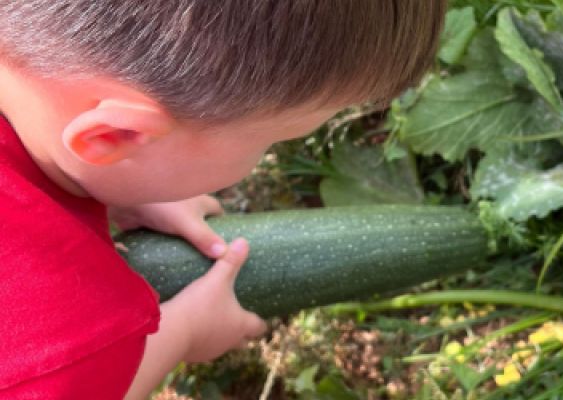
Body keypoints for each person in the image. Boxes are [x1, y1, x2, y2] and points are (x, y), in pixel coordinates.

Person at [0, 1, 446, 398]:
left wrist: (115, 182)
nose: (268, 153)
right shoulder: (76, 339)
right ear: (118, 134)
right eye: (272, 141)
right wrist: (182, 333)